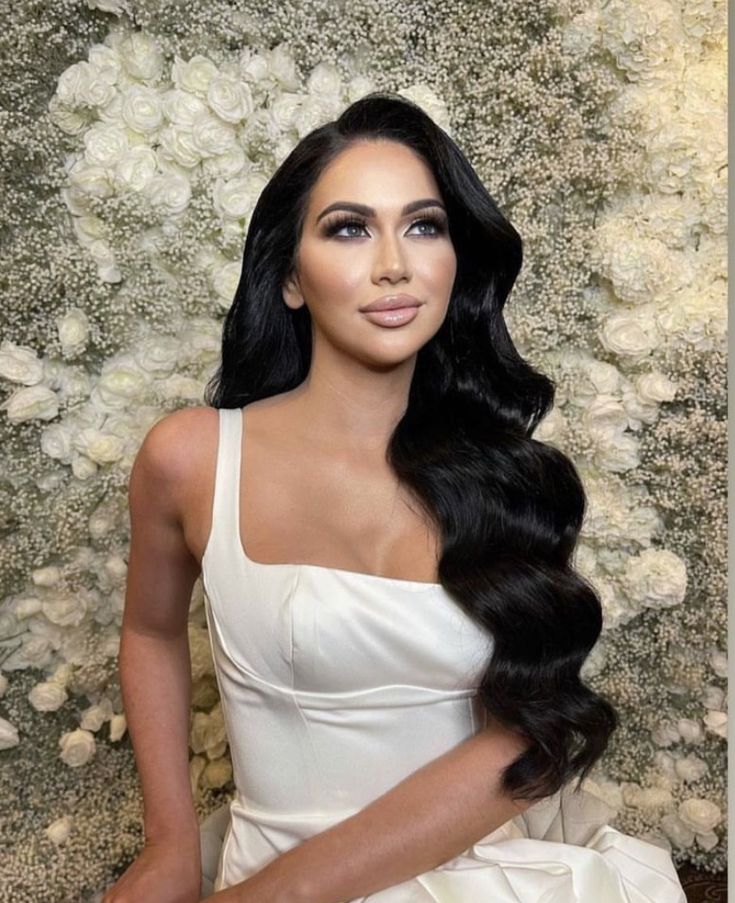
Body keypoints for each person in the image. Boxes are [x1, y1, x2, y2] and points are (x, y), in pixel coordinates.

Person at [104, 92, 687, 902]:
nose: (393, 263)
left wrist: (280, 896)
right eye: (348, 227)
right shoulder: (192, 456)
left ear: (455, 261)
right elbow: (150, 628)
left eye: (423, 225)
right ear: (289, 279)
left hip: (477, 876)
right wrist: (169, 839)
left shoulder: (514, 481)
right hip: (264, 859)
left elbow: (527, 738)